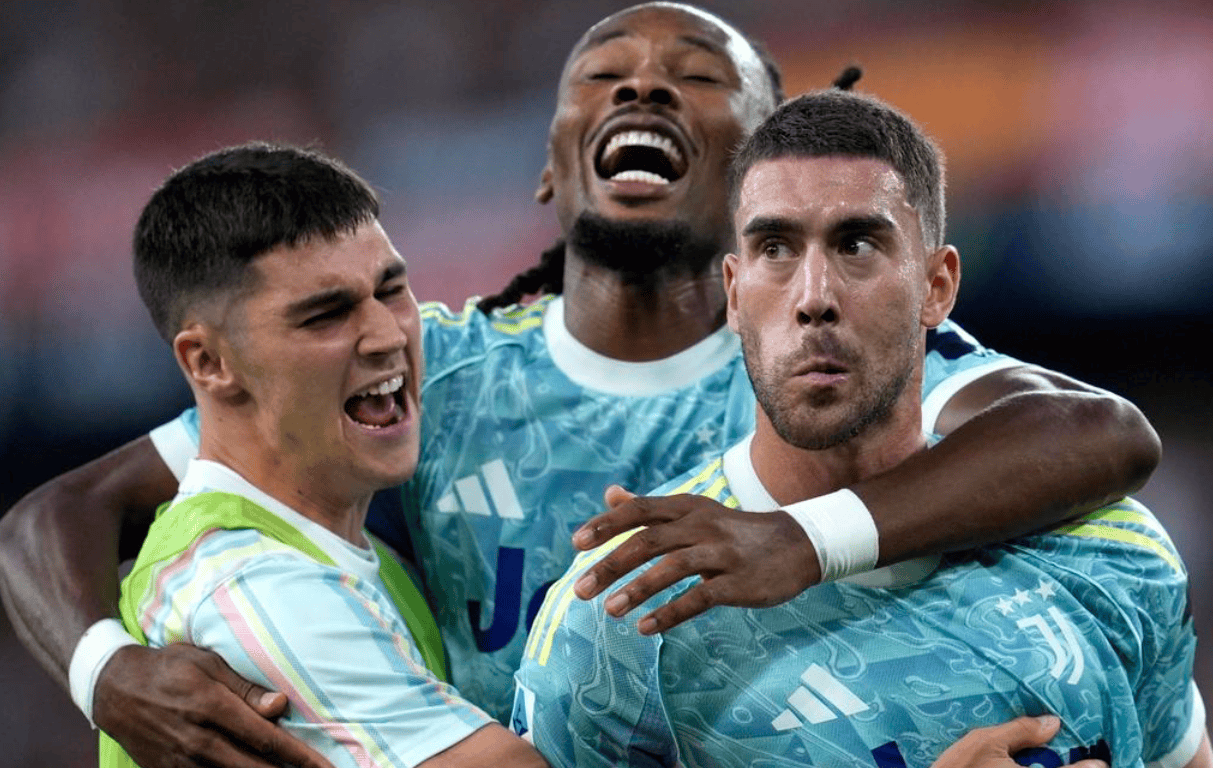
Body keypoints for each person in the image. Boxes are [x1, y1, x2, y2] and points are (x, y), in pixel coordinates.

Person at [0, 3, 1160, 765]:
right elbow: (62, 511)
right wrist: (105, 670)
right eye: (602, 76)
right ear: (549, 166)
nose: (642, 88)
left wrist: (802, 541)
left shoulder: (826, 362)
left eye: (695, 77)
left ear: (761, 163)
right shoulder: (426, 365)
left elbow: (1097, 436)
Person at [513, 88, 1208, 768]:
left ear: (936, 287)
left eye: (856, 244)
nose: (813, 296)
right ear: (733, 292)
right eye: (775, 248)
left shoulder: (1110, 550)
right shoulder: (623, 612)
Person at [103, 142, 545, 768]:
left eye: (391, 290)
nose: (388, 335)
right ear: (210, 362)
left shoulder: (356, 549)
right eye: (326, 315)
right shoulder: (251, 583)